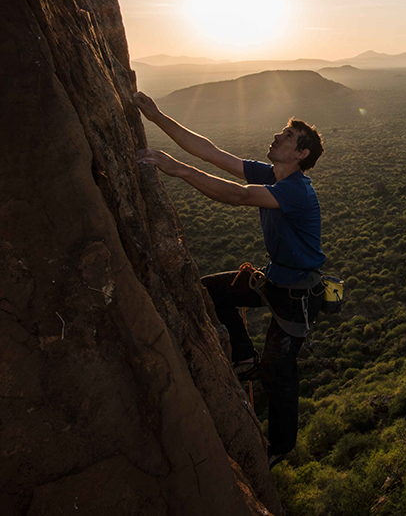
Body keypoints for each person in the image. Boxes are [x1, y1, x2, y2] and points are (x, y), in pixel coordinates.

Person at [132, 91, 325, 469]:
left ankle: (280, 447)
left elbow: (238, 197)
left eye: (287, 135)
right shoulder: (272, 174)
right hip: (273, 280)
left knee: (278, 375)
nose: (277, 136)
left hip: (297, 296)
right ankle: (243, 356)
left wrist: (181, 170)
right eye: (283, 131)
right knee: (210, 291)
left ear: (301, 154)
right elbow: (212, 153)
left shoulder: (296, 191)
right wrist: (156, 117)